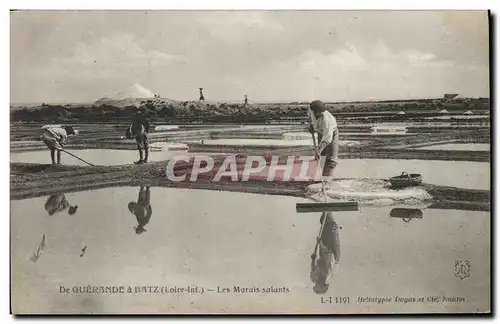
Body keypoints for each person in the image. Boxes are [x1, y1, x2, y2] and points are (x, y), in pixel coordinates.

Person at [308, 100, 339, 183]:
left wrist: (319, 150)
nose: (319, 114)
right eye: (317, 112)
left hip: (331, 133)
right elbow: (310, 116)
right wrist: (311, 126)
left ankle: (327, 181)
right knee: (321, 157)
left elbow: (327, 138)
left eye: (320, 112)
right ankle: (323, 178)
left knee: (331, 160)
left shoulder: (327, 120)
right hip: (320, 132)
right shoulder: (311, 110)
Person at [310, 212, 340, 294]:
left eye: (316, 284)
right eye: (318, 284)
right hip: (333, 253)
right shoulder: (328, 275)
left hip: (324, 253)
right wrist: (321, 244)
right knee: (331, 227)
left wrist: (313, 259)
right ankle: (327, 212)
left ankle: (325, 212)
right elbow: (330, 257)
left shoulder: (314, 277)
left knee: (324, 226)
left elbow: (313, 267)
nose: (316, 282)